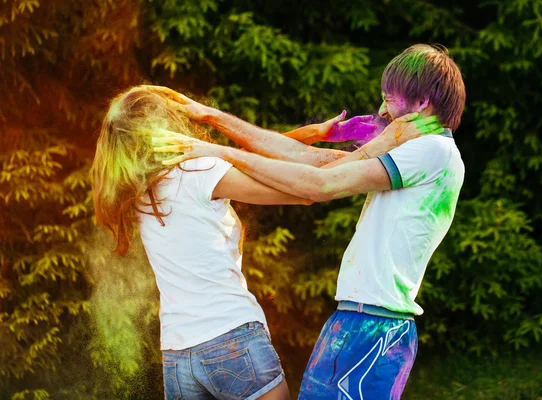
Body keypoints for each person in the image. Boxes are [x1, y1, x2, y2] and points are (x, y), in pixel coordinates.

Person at [150, 43, 466, 399]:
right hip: (357, 318)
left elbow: (320, 184)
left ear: (423, 102)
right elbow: (304, 160)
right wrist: (212, 117)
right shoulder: (411, 151)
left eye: (388, 99)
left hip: (377, 325)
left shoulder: (432, 151)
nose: (380, 110)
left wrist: (218, 151)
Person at [90, 86, 436, 399]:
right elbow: (301, 188)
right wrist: (362, 151)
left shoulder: (135, 194)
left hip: (177, 357)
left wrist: (316, 133)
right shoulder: (199, 170)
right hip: (231, 340)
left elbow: (247, 160)